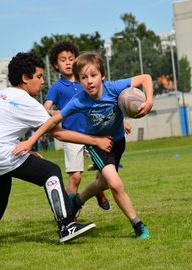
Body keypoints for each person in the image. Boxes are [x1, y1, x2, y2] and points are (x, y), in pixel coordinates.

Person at [0, 52, 113, 246]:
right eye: (39, 77)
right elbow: (58, 133)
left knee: (0, 191)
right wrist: (96, 140)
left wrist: (28, 151)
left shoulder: (0, 95)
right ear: (25, 78)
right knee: (50, 172)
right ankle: (67, 225)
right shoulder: (26, 101)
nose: (42, 82)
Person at [13, 51, 153, 239]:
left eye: (93, 76)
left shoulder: (113, 88)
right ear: (78, 80)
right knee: (115, 184)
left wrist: (149, 100)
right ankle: (138, 225)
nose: (89, 81)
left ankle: (77, 201)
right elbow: (52, 122)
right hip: (97, 145)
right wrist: (30, 141)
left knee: (102, 183)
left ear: (102, 76)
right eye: (83, 78)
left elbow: (145, 78)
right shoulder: (79, 100)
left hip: (118, 142)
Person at [44, 41, 110, 210]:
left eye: (71, 58)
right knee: (75, 177)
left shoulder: (86, 81)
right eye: (63, 59)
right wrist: (60, 114)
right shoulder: (56, 87)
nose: (68, 62)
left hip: (94, 133)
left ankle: (97, 190)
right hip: (71, 136)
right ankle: (67, 213)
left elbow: (105, 102)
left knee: (105, 172)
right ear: (55, 65)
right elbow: (45, 109)